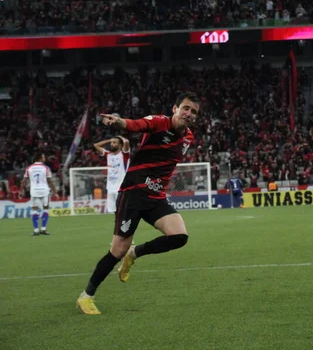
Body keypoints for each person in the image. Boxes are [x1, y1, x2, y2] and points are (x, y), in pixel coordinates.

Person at [76, 92, 200, 315]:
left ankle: (134, 254)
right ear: (175, 108)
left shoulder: (189, 137)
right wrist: (119, 122)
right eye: (186, 108)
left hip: (156, 197)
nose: (188, 113)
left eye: (193, 112)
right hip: (133, 192)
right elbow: (135, 125)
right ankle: (86, 297)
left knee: (179, 236)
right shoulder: (159, 122)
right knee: (116, 250)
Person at [20, 153, 57, 236]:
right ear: (40, 158)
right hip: (44, 191)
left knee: (34, 210)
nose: (44, 158)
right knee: (46, 208)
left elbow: (23, 181)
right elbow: (50, 181)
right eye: (43, 157)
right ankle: (43, 228)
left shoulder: (29, 168)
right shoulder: (46, 168)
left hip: (34, 191)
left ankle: (36, 230)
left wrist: (20, 191)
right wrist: (55, 192)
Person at [93, 136, 130, 213]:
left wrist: (120, 137)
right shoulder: (108, 154)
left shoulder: (124, 155)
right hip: (110, 188)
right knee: (112, 211)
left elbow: (126, 142)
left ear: (120, 145)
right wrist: (110, 140)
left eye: (114, 143)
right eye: (111, 143)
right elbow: (96, 145)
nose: (111, 144)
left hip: (121, 188)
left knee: (122, 211)